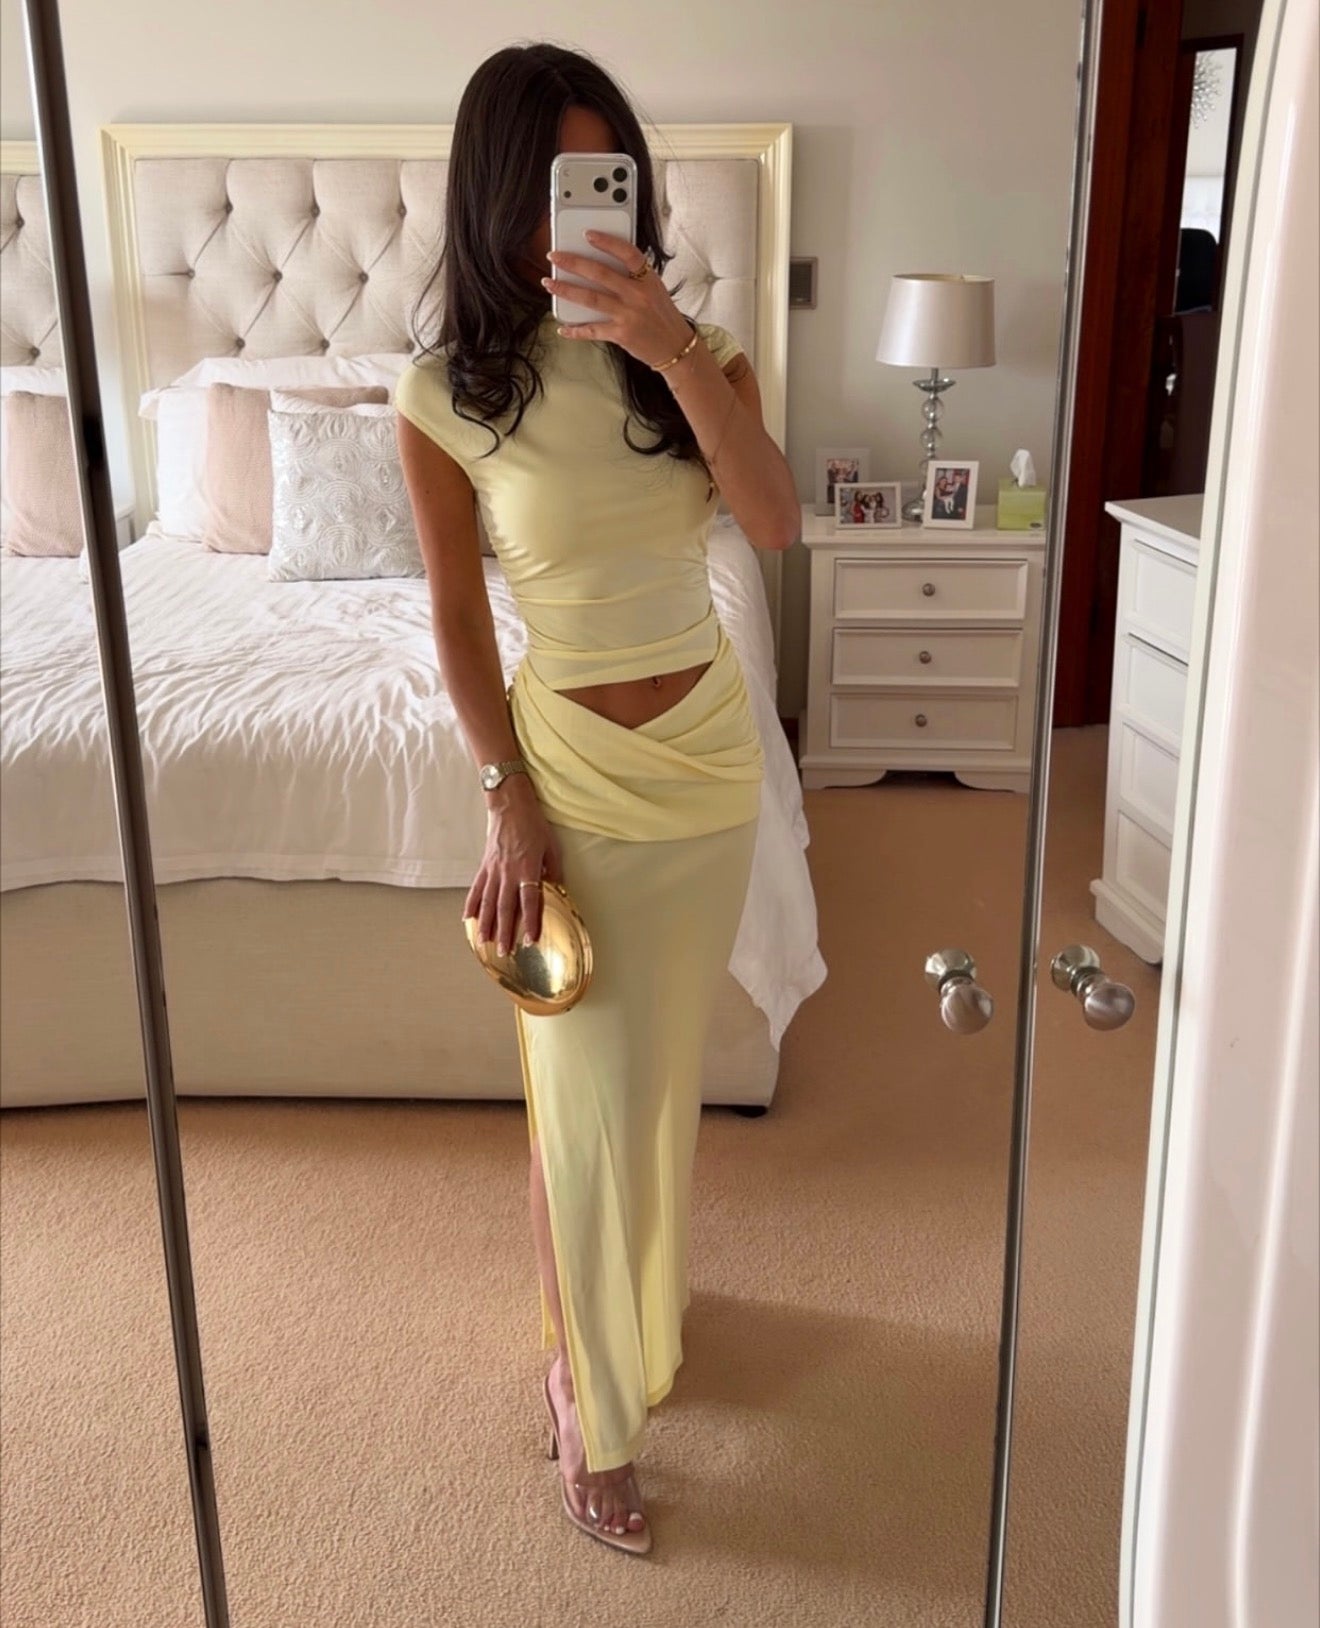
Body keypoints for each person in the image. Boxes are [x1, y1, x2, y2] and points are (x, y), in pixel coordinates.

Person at [394, 43, 798, 1556]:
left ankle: (637, 1318)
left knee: (654, 1085)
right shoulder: (444, 397)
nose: (581, 213)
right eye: (555, 183)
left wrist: (675, 346)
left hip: (705, 770)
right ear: (497, 195)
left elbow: (775, 524)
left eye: (603, 178)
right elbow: (453, 616)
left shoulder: (702, 356)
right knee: (581, 1107)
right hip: (569, 773)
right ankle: (592, 1401)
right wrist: (506, 794)